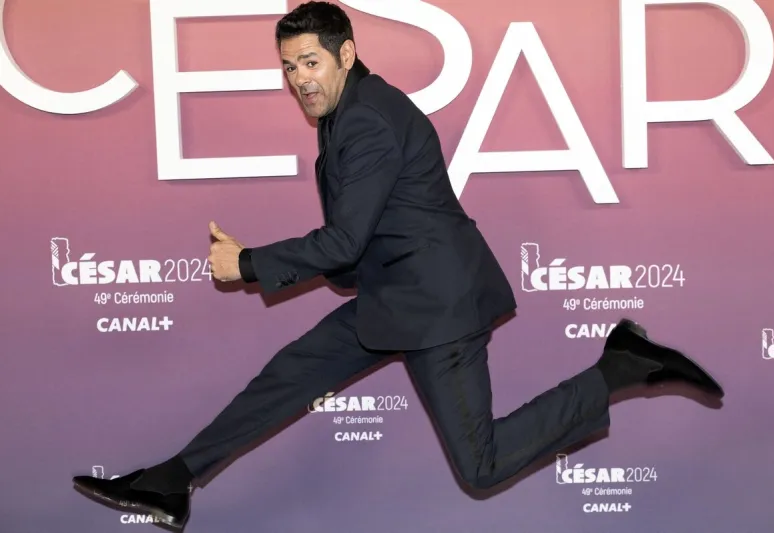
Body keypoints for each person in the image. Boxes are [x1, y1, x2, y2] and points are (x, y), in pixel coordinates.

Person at [72, 2, 724, 529]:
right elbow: (364, 239)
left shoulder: (366, 122)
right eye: (288, 65)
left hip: (439, 306)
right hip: (394, 294)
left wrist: (244, 261)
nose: (300, 77)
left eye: (310, 61)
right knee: (287, 375)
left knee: (482, 468)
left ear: (345, 55)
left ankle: (617, 367)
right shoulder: (346, 112)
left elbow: (343, 242)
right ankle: (173, 481)